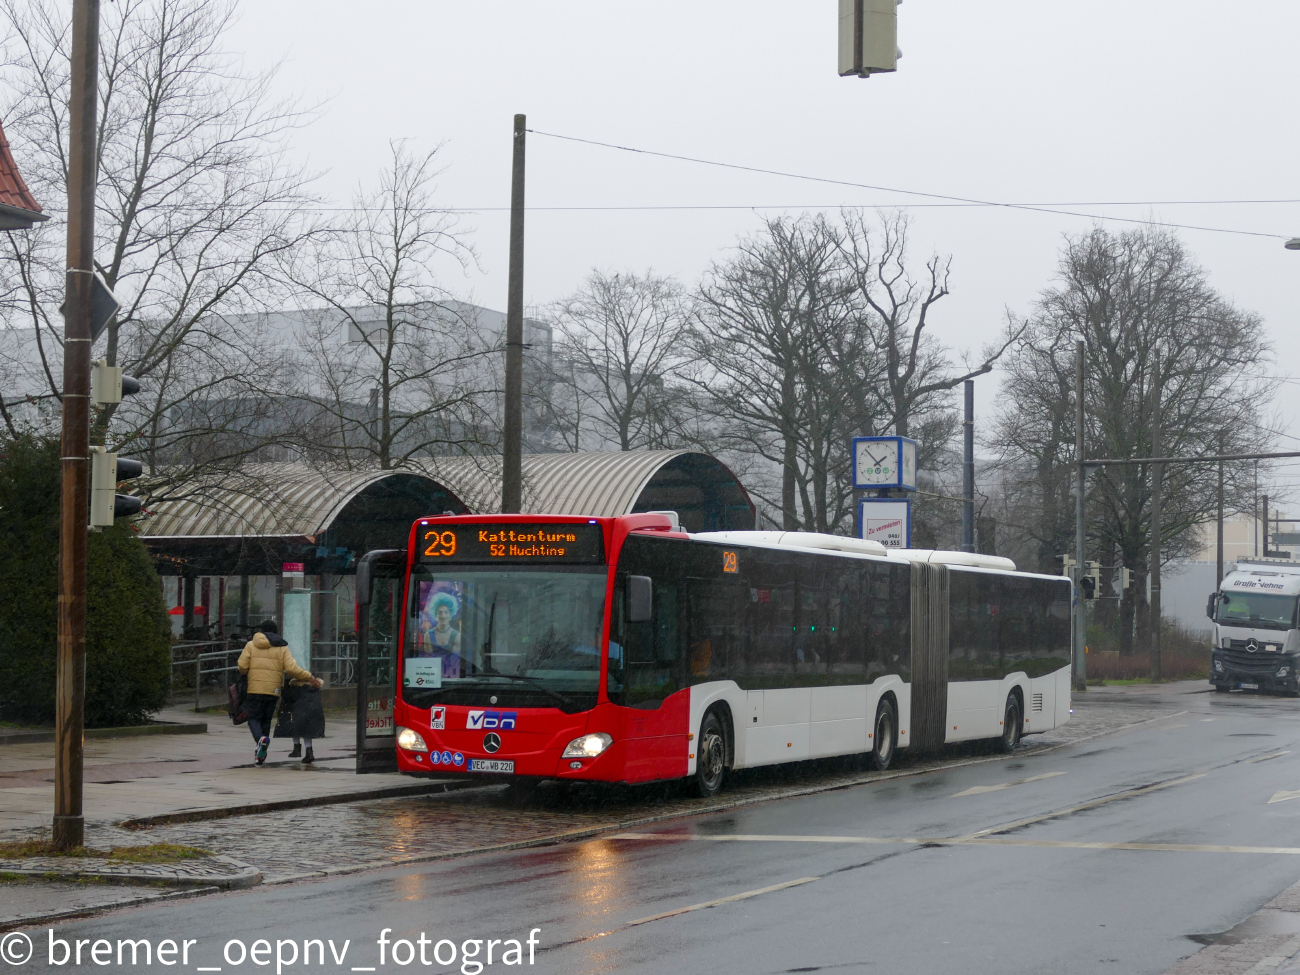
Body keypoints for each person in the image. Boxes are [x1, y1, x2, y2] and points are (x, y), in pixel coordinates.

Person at [237, 620, 321, 766]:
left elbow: (242, 666)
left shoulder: (251, 645)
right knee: (266, 720)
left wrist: (249, 671)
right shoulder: (282, 647)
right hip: (273, 691)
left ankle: (259, 740)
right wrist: (309, 677)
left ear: (261, 631)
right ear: (275, 632)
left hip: (254, 689)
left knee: (253, 717)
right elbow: (291, 669)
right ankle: (260, 755)